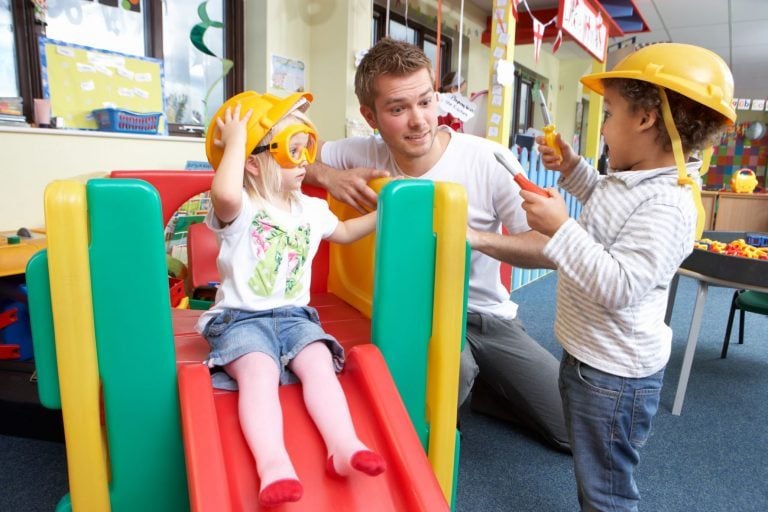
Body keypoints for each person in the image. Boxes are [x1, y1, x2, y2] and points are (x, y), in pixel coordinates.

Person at [305, 37, 570, 452]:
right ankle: (461, 390)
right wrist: (326, 175)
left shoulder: (489, 160)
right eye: (397, 109)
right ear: (369, 116)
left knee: (570, 431)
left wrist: (473, 238)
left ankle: (479, 386)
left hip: (485, 316)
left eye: (426, 102)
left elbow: (552, 248)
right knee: (448, 383)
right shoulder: (358, 152)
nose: (419, 121)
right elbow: (279, 158)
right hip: (413, 316)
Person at [520, 43, 735, 510]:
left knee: (607, 489)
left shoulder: (668, 204)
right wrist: (572, 168)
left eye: (610, 112)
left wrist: (560, 228)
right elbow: (605, 205)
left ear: (645, 120)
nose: (603, 126)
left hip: (614, 376)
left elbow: (619, 285)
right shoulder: (633, 178)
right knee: (594, 469)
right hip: (591, 357)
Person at [199, 91, 386, 508]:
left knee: (319, 364)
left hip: (296, 316)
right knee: (259, 372)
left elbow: (346, 233)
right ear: (253, 160)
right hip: (241, 320)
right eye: (292, 150)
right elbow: (224, 194)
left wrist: (388, 210)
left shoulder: (309, 209)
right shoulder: (243, 206)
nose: (305, 161)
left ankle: (343, 445)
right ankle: (274, 464)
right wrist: (235, 142)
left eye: (308, 148)